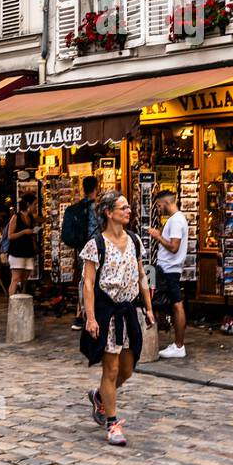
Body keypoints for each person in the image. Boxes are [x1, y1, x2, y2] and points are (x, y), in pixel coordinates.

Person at [80, 191, 154, 447]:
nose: (129, 211)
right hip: (108, 313)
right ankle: (112, 424)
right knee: (110, 369)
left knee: (127, 370)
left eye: (129, 207)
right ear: (109, 213)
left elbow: (143, 275)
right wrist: (90, 317)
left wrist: (149, 306)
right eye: (123, 207)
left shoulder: (135, 241)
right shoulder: (95, 245)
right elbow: (88, 284)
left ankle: (100, 396)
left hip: (128, 310)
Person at [150, 189, 190, 359]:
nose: (158, 209)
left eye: (159, 205)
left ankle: (179, 345)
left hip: (170, 269)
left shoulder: (176, 221)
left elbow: (174, 247)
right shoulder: (176, 220)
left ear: (166, 203)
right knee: (165, 303)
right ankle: (173, 342)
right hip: (167, 268)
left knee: (177, 305)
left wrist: (158, 236)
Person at [61, 177, 99, 330]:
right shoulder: (97, 209)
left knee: (84, 281)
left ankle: (79, 315)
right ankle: (88, 315)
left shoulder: (76, 208)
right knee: (92, 282)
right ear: (96, 188)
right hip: (97, 250)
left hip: (81, 250)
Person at [7, 197, 38, 296]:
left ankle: (22, 302)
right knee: (15, 279)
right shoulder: (16, 217)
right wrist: (24, 232)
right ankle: (12, 304)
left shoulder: (30, 217)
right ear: (28, 204)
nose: (36, 206)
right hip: (17, 252)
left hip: (28, 251)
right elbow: (10, 236)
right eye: (34, 204)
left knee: (24, 280)